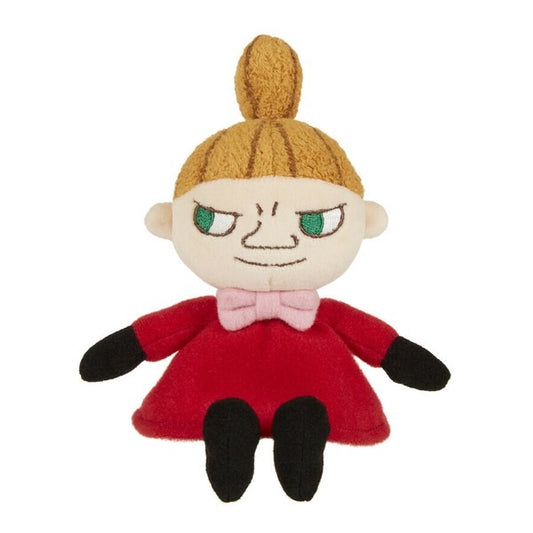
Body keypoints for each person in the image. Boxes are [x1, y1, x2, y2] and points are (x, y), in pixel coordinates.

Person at [80, 35, 450, 503]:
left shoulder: (317, 314)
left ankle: (297, 426)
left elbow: (379, 344)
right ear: (169, 223)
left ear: (366, 222)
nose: (268, 241)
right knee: (231, 412)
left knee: (299, 412)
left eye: (314, 222)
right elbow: (151, 335)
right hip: (225, 392)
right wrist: (124, 349)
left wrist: (400, 357)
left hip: (300, 393)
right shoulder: (215, 312)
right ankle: (233, 428)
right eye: (218, 221)